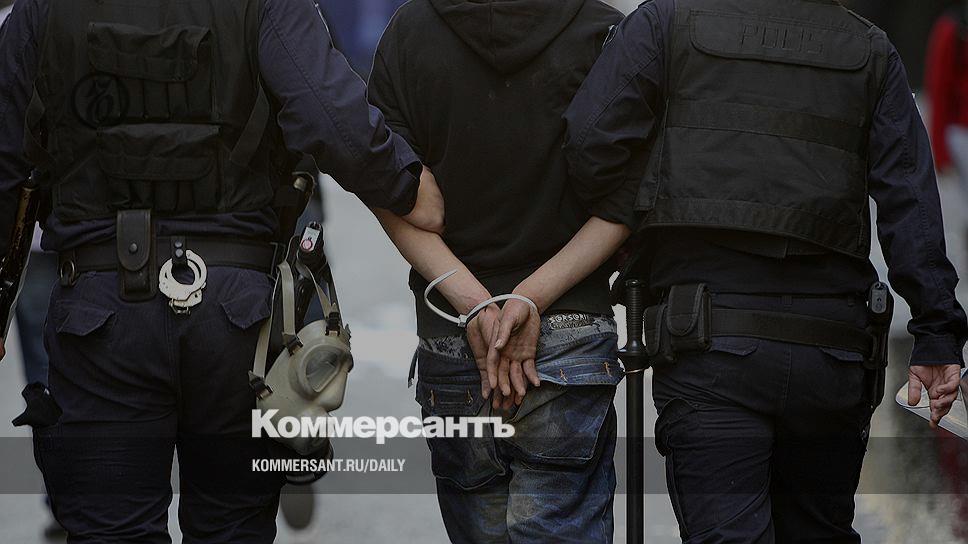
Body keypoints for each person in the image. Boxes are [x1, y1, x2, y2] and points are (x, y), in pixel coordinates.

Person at [0, 0, 443, 542]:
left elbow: (5, 156)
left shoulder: (41, 8)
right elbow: (330, 115)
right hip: (236, 318)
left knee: (109, 530)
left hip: (99, 314)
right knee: (232, 529)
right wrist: (407, 186)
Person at [565, 0, 968, 542]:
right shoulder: (868, 47)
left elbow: (590, 144)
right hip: (832, 350)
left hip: (708, 342)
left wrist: (642, 228)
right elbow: (909, 199)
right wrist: (937, 333)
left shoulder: (666, 22)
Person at [367, 0, 633, 541]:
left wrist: (474, 303)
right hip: (572, 335)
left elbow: (385, 183)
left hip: (456, 341)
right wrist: (531, 297)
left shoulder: (408, 32)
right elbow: (628, 199)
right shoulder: (604, 33)